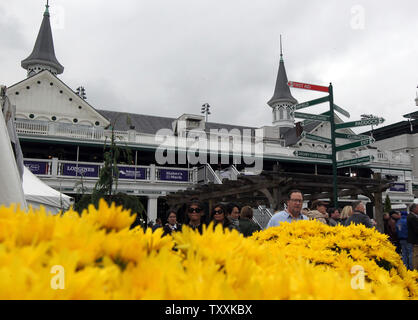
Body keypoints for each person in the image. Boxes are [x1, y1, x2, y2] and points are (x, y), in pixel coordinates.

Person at [407, 203, 418, 270]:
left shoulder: (411, 216)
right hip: (415, 239)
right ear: (414, 209)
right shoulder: (412, 217)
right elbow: (416, 229)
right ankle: (415, 269)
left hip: (413, 239)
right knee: (415, 255)